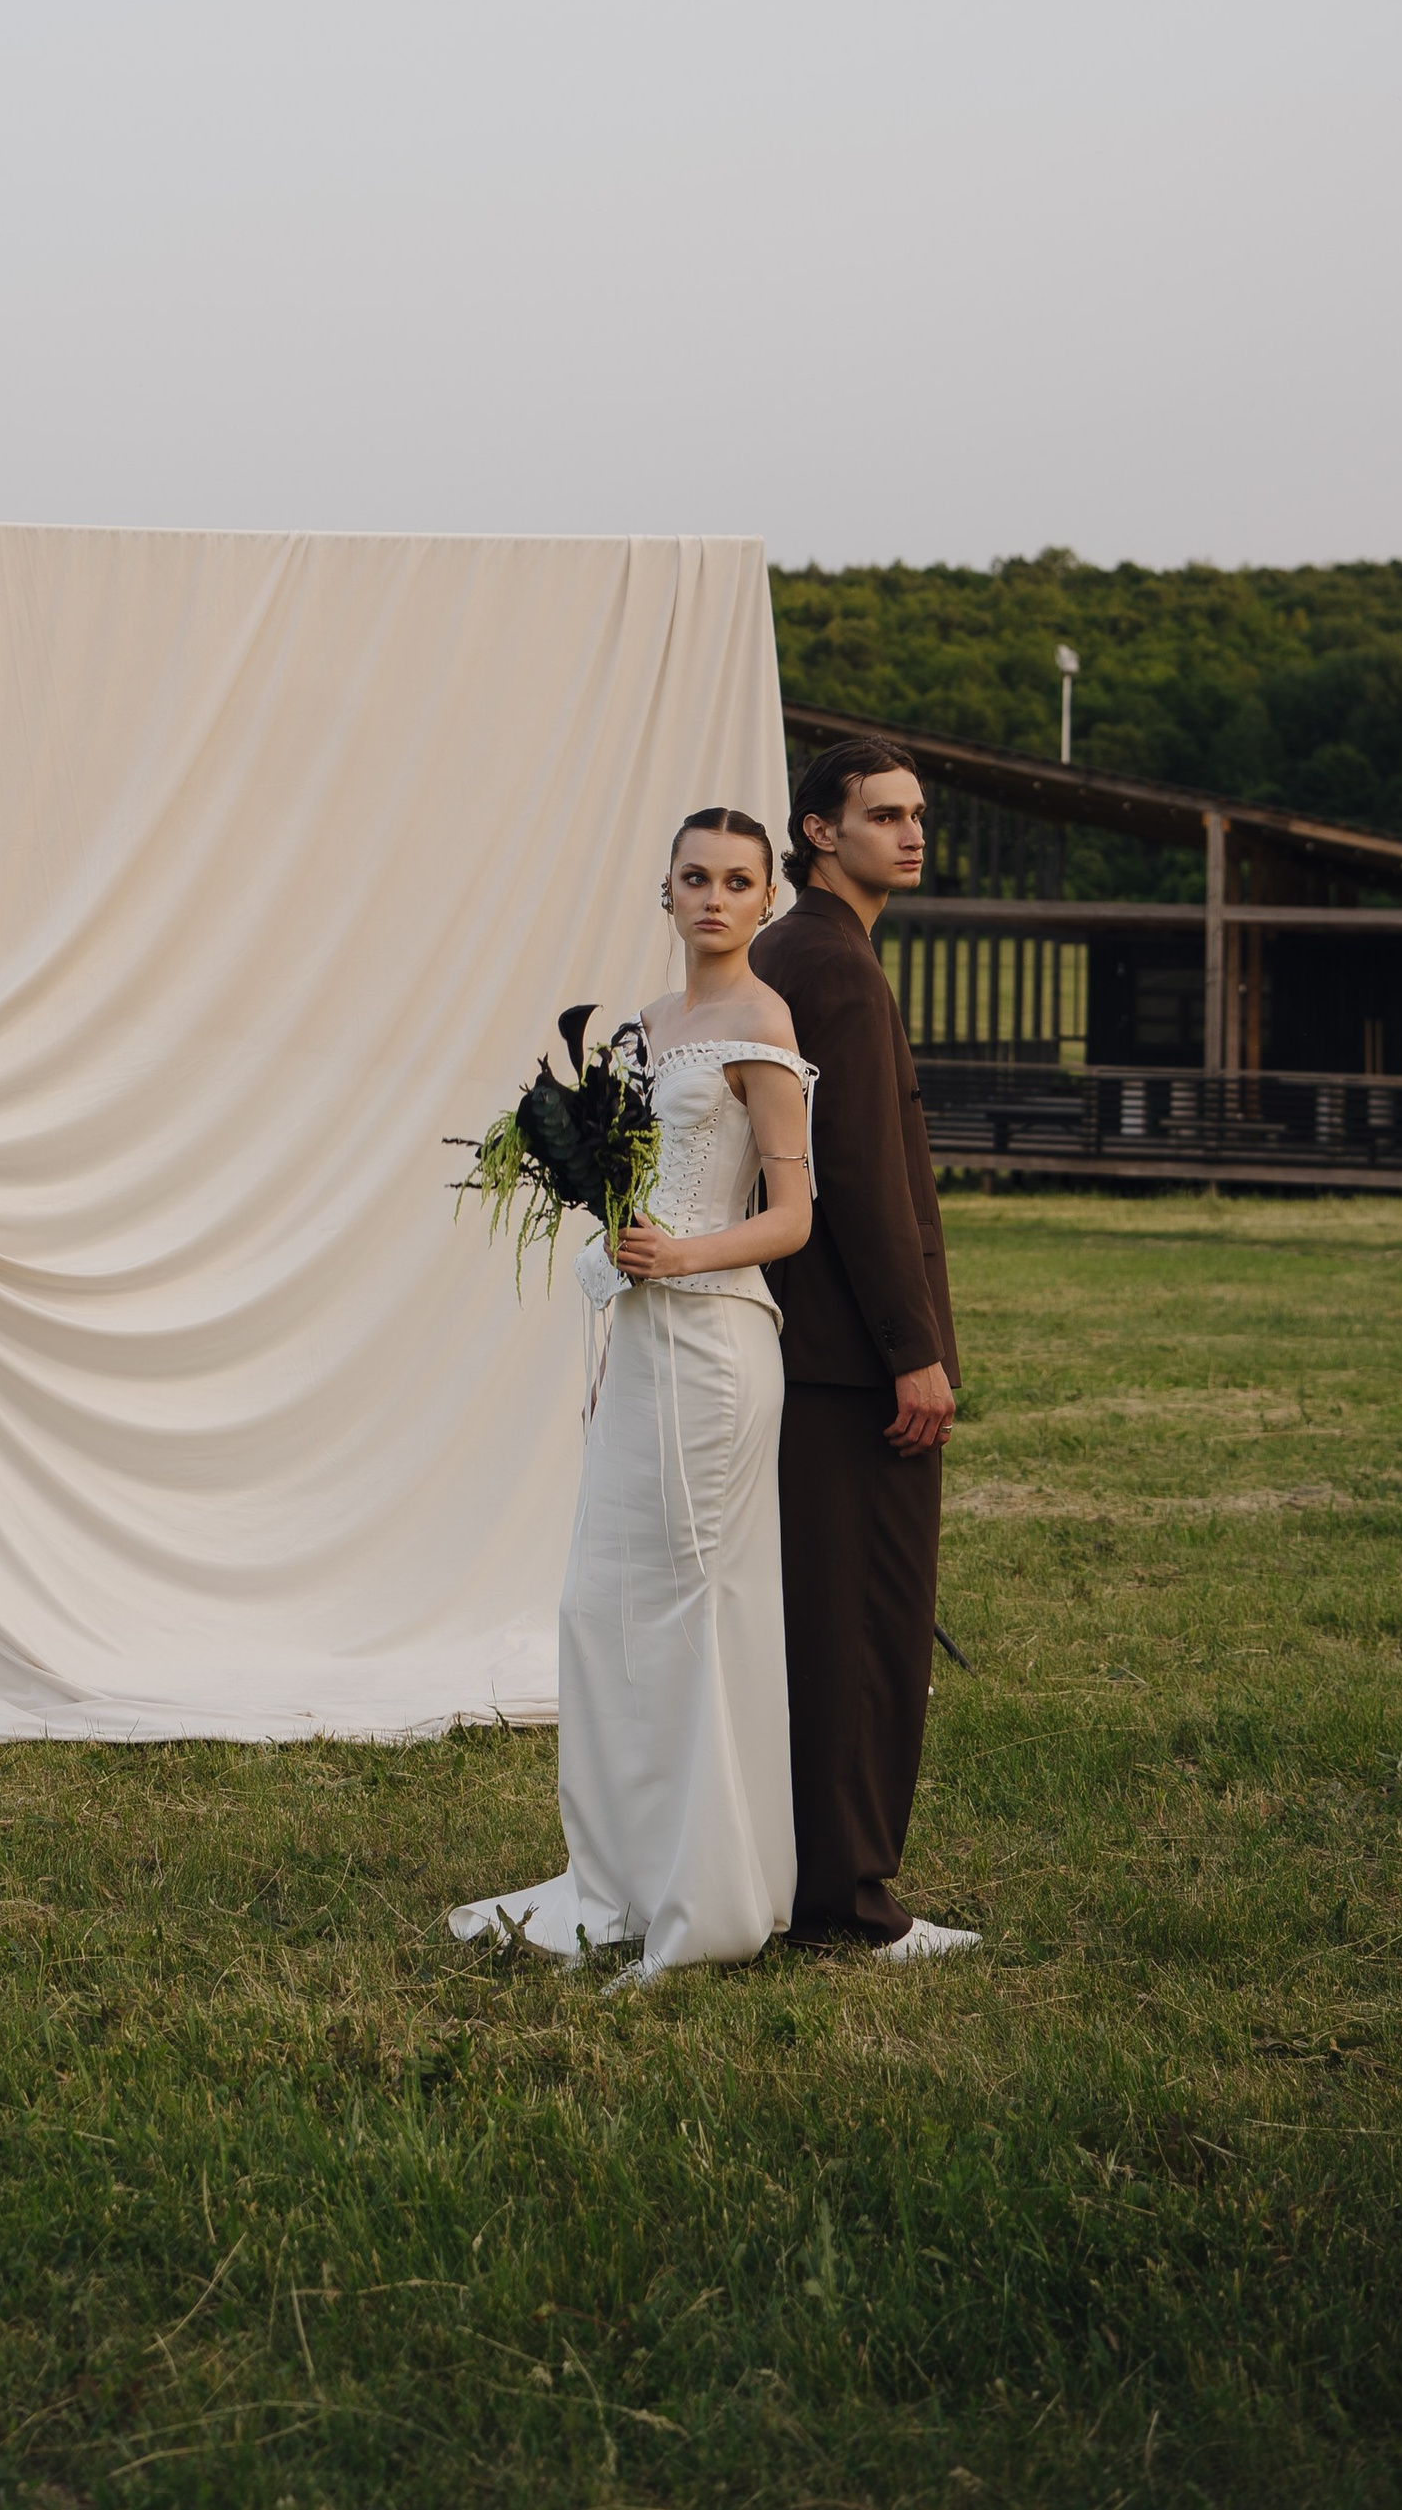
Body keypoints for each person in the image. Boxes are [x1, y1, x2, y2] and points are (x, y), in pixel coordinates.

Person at [449, 808, 816, 1984]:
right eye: (693, 878)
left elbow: (793, 1215)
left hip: (715, 1345)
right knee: (602, 1602)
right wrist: (615, 1240)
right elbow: (636, 1186)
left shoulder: (764, 1022)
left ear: (768, 899)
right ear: (663, 892)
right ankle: (617, 1869)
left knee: (693, 1603)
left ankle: (707, 1892)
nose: (713, 897)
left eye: (738, 881)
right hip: (643, 1337)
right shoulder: (648, 1028)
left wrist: (684, 1255)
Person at [751, 736, 977, 1965]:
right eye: (883, 814)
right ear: (815, 832)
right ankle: (850, 1900)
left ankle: (813, 1877)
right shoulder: (830, 965)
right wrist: (913, 1349)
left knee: (825, 1626)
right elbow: (861, 1184)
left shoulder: (801, 953)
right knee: (867, 1631)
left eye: (919, 813)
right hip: (848, 1362)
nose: (912, 831)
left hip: (813, 1352)